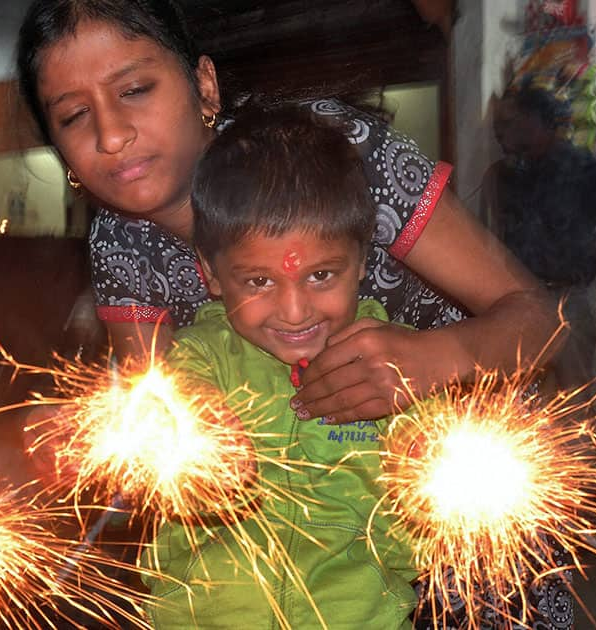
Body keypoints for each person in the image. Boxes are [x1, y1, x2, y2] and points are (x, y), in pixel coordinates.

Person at [15, 0, 559, 427]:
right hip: (298, 514)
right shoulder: (119, 242)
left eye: (134, 90)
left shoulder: (333, 152)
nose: (111, 136)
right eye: (75, 115)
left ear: (204, 86)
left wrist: (442, 357)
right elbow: (166, 416)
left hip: (463, 475)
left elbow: (543, 320)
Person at [147, 104, 419, 628]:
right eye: (259, 281)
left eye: (320, 275)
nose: (295, 313)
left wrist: (428, 503)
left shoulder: (392, 365)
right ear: (212, 275)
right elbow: (171, 407)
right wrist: (194, 433)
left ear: (361, 263)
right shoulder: (198, 360)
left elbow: (417, 536)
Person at [484, 85, 596, 418]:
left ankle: (580, 471)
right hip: (519, 303)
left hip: (570, 304)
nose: (504, 132)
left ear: (538, 121)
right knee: (520, 411)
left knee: (575, 410)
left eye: (513, 122)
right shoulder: (509, 175)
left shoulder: (584, 168)